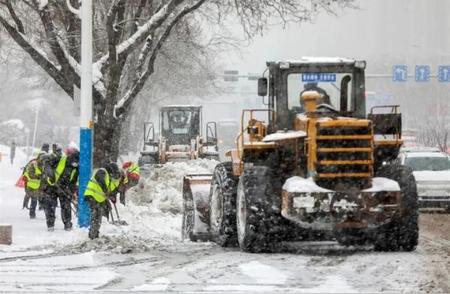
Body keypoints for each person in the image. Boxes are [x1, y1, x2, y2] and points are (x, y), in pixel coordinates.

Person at [40, 148, 79, 231]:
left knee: (66, 206)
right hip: (52, 186)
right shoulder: (60, 158)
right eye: (74, 162)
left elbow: (74, 181)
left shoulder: (77, 168)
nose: (75, 164)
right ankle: (50, 225)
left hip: (64, 188)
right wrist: (51, 175)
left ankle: (67, 224)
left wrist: (70, 191)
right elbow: (47, 164)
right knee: (50, 205)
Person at [84, 162, 122, 239]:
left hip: (99, 197)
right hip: (92, 195)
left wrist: (112, 196)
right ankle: (93, 234)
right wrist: (106, 191)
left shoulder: (110, 178)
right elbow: (101, 181)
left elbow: (111, 189)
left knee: (106, 208)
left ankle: (101, 227)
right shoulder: (102, 171)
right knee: (96, 214)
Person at [23, 154, 44, 219]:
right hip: (31, 185)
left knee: (38, 198)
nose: (43, 160)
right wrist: (39, 176)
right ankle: (32, 214)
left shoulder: (44, 165)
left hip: (39, 185)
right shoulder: (33, 164)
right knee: (33, 199)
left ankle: (34, 211)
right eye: (42, 158)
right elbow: (30, 174)